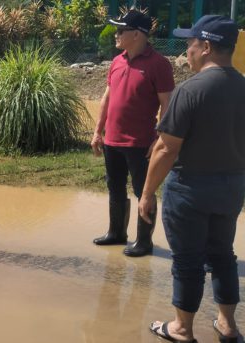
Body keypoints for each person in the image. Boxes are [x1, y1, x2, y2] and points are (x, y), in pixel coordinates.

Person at [138, 15, 245, 343]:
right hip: (231, 187)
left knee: (187, 259)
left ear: (207, 46)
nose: (187, 50)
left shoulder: (190, 90)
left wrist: (146, 193)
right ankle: (228, 325)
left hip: (190, 189)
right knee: (223, 254)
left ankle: (182, 328)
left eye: (191, 43)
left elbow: (165, 150)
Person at [91, 9, 174, 257]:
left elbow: (167, 105)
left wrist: (160, 138)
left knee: (143, 191)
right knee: (114, 187)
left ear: (137, 34)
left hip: (140, 143)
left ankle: (144, 242)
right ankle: (117, 233)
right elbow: (107, 99)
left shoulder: (159, 65)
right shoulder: (117, 61)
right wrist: (98, 131)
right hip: (112, 140)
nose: (115, 34)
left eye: (120, 30)